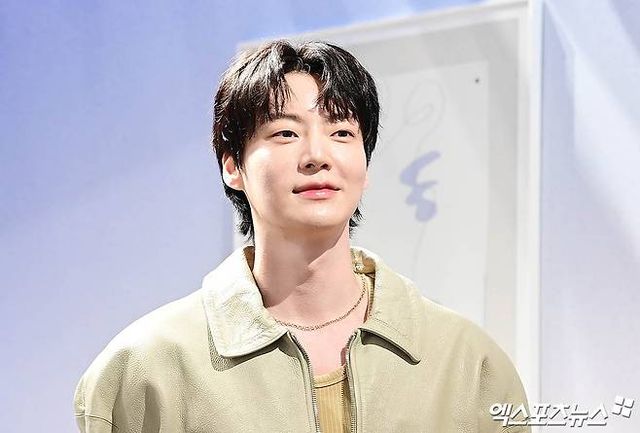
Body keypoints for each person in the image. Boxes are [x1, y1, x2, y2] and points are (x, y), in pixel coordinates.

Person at [73, 39, 531, 433]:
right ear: (233, 165)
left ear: (365, 165)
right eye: (286, 132)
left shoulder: (466, 361)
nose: (317, 155)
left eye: (342, 132)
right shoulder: (146, 368)